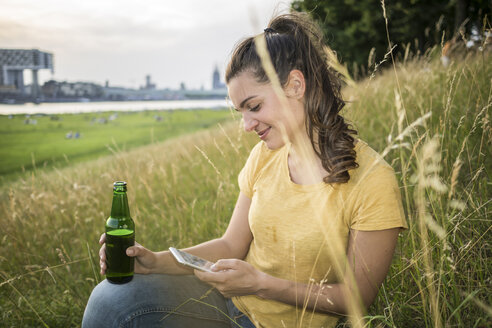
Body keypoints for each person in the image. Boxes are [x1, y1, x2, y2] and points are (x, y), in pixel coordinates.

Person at [82, 12, 407, 328]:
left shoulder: (373, 180)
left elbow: (356, 299)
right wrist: (155, 261)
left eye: (254, 107)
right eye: (241, 112)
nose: (246, 125)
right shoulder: (263, 157)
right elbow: (230, 245)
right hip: (229, 304)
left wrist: (261, 285)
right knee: (109, 297)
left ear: (295, 85)